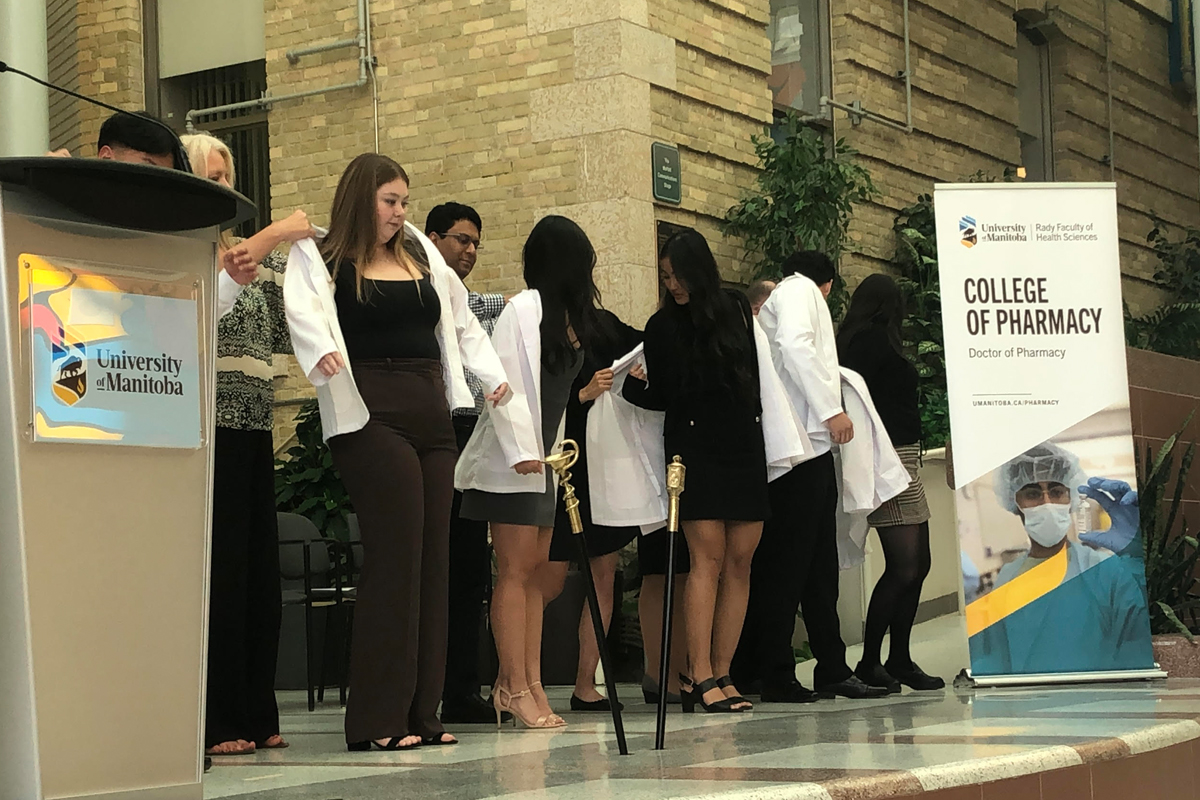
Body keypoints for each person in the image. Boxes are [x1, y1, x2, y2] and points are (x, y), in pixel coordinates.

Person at [284, 153, 514, 751]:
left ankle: (421, 713)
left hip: (431, 410)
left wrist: (489, 376)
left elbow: (461, 321)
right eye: (391, 201)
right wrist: (319, 354)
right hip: (368, 410)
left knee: (433, 558)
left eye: (405, 202)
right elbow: (303, 311)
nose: (400, 212)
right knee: (395, 556)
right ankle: (377, 719)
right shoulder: (325, 255)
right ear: (363, 199)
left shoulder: (418, 251)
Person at [180, 133, 315, 756]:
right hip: (204, 429)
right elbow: (202, 299)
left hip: (257, 427)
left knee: (259, 578)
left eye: (227, 178)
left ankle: (259, 711)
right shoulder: (183, 250)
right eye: (210, 177)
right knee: (223, 575)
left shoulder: (252, 259)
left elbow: (306, 311)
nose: (223, 190)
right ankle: (218, 719)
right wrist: (282, 228)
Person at [456, 215, 606, 729]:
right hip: (513, 459)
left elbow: (558, 400)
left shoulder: (565, 316)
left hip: (543, 460)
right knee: (516, 574)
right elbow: (504, 384)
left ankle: (530, 682)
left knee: (538, 576)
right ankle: (512, 686)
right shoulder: (523, 309)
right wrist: (524, 450)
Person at [622, 229, 768, 714]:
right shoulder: (661, 325)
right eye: (665, 277)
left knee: (742, 561)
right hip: (692, 447)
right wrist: (629, 389)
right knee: (705, 558)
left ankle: (724, 671)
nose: (673, 285)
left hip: (743, 443)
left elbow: (752, 375)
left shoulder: (733, 308)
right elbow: (664, 396)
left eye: (678, 275)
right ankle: (697, 673)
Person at [733, 251, 888, 702]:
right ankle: (778, 670)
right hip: (800, 449)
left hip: (806, 450)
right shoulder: (800, 289)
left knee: (814, 565)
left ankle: (830, 665)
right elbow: (800, 347)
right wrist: (831, 409)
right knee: (791, 565)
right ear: (829, 286)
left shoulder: (787, 296)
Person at [837, 274, 944, 692]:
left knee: (919, 563)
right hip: (889, 457)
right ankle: (872, 660)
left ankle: (897, 656)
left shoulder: (858, 340)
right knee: (905, 565)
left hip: (901, 456)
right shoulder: (870, 343)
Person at [424, 202, 509, 724]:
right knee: (431, 565)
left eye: (476, 243)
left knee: (470, 568)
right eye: (461, 240)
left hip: (470, 435)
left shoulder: (482, 306)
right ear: (433, 239)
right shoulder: (412, 294)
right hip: (426, 432)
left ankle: (461, 689)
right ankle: (420, 691)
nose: (470, 251)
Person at [970, 441, 1152, 675]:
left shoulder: (1104, 571)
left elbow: (1136, 641)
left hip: (1098, 703)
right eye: (1033, 493)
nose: (1047, 503)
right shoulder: (1007, 578)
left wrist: (1137, 556)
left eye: (1056, 492)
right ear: (1016, 503)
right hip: (1026, 705)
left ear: (1071, 499)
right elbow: (996, 658)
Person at [536, 309, 642, 711]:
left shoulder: (601, 323)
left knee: (604, 571)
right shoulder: (542, 326)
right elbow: (540, 402)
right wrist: (582, 395)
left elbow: (642, 343)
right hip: (564, 458)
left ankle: (586, 681)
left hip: (603, 460)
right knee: (550, 576)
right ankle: (521, 675)